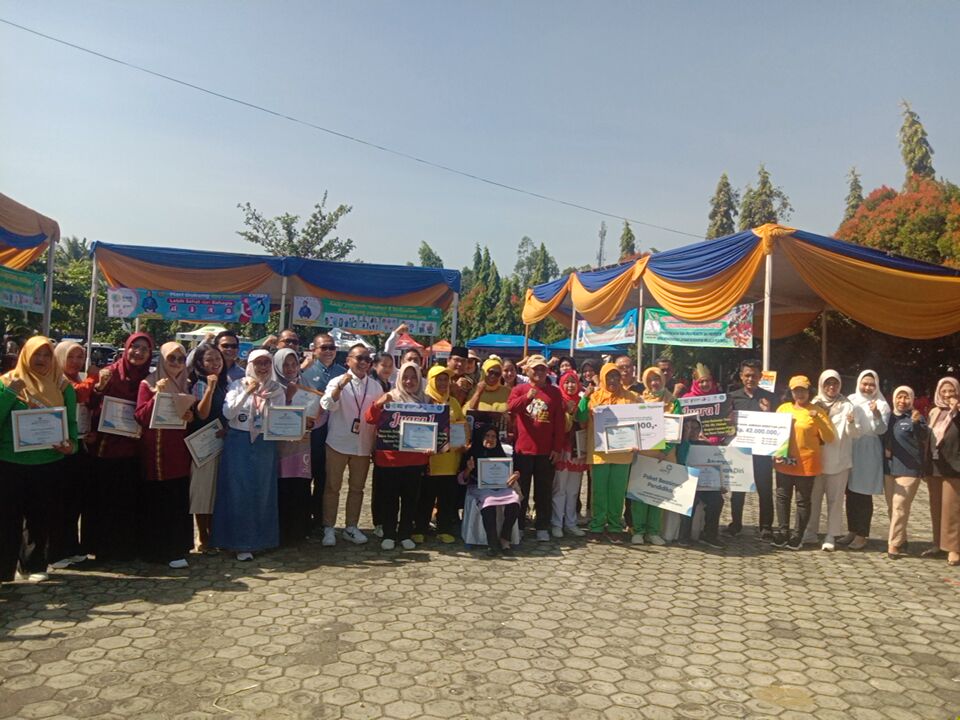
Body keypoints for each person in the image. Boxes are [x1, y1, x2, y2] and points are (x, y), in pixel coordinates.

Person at [0, 337, 78, 583]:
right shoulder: (7, 382)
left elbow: (71, 424)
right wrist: (10, 393)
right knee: (6, 518)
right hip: (9, 462)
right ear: (25, 355)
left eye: (47, 355)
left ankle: (34, 565)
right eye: (36, 354)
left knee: (41, 517)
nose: (41, 359)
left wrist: (71, 446)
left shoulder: (62, 386)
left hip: (48, 462)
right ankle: (4, 569)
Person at [212, 349, 285, 561]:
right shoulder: (237, 385)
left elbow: (281, 417)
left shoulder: (276, 390)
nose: (262, 367)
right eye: (258, 363)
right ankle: (239, 542)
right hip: (239, 442)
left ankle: (263, 540)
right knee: (238, 491)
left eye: (266, 363)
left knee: (263, 490)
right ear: (250, 365)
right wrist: (247, 393)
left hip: (264, 443)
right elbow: (228, 413)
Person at [88, 332, 154, 562]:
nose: (138, 352)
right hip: (107, 447)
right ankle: (103, 548)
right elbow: (90, 404)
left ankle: (128, 547)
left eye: (144, 349)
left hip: (135, 448)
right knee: (106, 499)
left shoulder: (150, 379)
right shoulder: (109, 373)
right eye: (134, 347)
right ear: (126, 348)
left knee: (130, 500)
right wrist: (99, 388)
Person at [134, 342, 195, 568]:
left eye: (181, 359)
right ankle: (158, 550)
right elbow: (140, 416)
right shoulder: (149, 383)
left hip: (178, 451)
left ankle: (177, 547)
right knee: (159, 498)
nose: (177, 363)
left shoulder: (187, 383)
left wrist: (189, 416)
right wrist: (156, 397)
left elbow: (190, 417)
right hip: (157, 449)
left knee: (177, 497)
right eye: (172, 358)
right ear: (162, 359)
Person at [319, 344, 384, 546]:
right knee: (332, 487)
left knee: (357, 488)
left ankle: (351, 527)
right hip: (337, 442)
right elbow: (327, 405)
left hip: (363, 444)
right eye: (359, 358)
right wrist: (339, 388)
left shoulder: (375, 386)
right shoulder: (337, 381)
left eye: (367, 359)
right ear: (348, 360)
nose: (363, 362)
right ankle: (329, 527)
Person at [366, 363, 430, 550]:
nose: (409, 381)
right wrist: (378, 404)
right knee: (389, 500)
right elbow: (370, 418)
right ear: (399, 379)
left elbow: (437, 429)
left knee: (410, 500)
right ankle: (389, 533)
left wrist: (432, 445)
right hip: (390, 459)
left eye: (414, 377)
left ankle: (405, 534)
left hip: (415, 460)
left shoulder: (427, 400)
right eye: (405, 377)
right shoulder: (390, 397)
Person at [48, 340, 98, 568]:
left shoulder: (77, 378)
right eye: (71, 357)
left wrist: (88, 433)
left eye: (80, 357)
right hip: (59, 451)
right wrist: (94, 377)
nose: (76, 362)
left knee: (75, 502)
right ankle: (56, 551)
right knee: (60, 503)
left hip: (78, 447)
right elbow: (78, 394)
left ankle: (71, 547)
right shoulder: (57, 380)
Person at [773, 376, 837, 550]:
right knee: (782, 498)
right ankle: (783, 532)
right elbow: (773, 433)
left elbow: (829, 437)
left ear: (809, 391)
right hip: (784, 461)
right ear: (791, 392)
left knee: (802, 501)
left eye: (803, 390)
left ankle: (797, 536)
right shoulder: (783, 409)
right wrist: (774, 453)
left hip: (806, 463)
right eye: (796, 390)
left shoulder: (817, 411)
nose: (800, 394)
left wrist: (818, 420)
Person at [508, 355, 565, 541]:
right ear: (527, 371)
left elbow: (559, 422)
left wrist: (557, 448)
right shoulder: (519, 389)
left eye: (542, 369)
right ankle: (519, 525)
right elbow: (511, 407)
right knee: (521, 491)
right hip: (523, 450)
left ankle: (542, 526)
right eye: (535, 369)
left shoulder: (555, 392)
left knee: (544, 491)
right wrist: (527, 397)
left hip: (546, 451)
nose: (539, 372)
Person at [577, 363, 637, 540]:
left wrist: (639, 440)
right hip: (599, 453)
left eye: (616, 376)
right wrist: (584, 399)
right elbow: (581, 418)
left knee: (617, 493)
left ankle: (615, 526)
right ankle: (597, 525)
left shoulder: (632, 397)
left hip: (623, 454)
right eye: (609, 376)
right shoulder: (594, 397)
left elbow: (641, 420)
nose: (613, 380)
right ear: (602, 377)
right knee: (599, 492)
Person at [805, 370, 859, 551]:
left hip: (839, 460)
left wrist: (851, 423)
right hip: (816, 459)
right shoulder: (813, 404)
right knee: (813, 499)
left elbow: (854, 434)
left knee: (835, 501)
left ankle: (831, 535)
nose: (831, 387)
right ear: (821, 384)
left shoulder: (847, 405)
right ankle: (810, 532)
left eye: (835, 383)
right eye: (828, 383)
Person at [273, 348, 321, 546]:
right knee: (282, 488)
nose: (290, 368)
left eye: (294, 364)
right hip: (279, 449)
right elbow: (273, 416)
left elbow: (315, 413)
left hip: (301, 447)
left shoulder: (306, 385)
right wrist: (289, 397)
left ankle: (299, 530)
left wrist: (311, 421)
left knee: (300, 487)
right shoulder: (272, 387)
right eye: (285, 365)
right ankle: (282, 532)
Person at [300, 332, 347, 534]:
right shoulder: (305, 372)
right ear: (314, 349)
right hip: (311, 432)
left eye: (332, 347)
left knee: (325, 478)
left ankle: (320, 520)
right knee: (305, 476)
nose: (328, 351)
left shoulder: (343, 373)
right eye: (324, 347)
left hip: (334, 432)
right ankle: (303, 519)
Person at [839, 370, 890, 550]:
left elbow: (881, 430)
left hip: (868, 450)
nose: (867, 388)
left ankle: (862, 534)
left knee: (862, 494)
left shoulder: (882, 404)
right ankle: (852, 530)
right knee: (850, 493)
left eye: (871, 385)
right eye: (865, 384)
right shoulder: (851, 399)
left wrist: (876, 414)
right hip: (850, 447)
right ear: (858, 383)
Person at [414, 366, 465, 544]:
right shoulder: (424, 401)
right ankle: (420, 528)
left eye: (445, 379)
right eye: (439, 379)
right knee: (425, 498)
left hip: (450, 460)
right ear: (430, 380)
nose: (443, 383)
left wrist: (463, 443)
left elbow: (462, 424)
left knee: (446, 498)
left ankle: (444, 529)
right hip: (429, 460)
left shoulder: (453, 402)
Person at [726, 359, 776, 538]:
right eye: (747, 375)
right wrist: (729, 422)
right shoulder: (732, 397)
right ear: (741, 376)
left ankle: (766, 527)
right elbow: (726, 428)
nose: (750, 379)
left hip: (762, 452)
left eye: (754, 376)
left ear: (760, 376)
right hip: (740, 452)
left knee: (765, 490)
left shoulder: (769, 397)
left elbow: (777, 425)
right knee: (738, 491)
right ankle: (736, 524)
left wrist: (768, 412)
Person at [188, 342, 228, 554]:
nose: (215, 363)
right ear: (200, 363)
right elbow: (202, 414)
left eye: (217, 359)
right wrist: (210, 390)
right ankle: (203, 537)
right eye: (209, 360)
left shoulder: (224, 383)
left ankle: (213, 534)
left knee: (215, 492)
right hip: (202, 445)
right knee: (202, 492)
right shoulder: (200, 384)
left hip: (219, 443)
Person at [633, 366, 680, 545]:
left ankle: (653, 531)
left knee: (657, 493)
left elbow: (675, 429)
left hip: (664, 455)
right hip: (642, 454)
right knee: (639, 494)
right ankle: (638, 531)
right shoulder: (639, 400)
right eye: (651, 379)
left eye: (658, 379)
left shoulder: (673, 402)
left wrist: (664, 451)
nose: (655, 383)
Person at [459, 424, 523, 556]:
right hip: (478, 487)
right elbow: (461, 479)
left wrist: (515, 475)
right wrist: (468, 469)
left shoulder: (501, 453)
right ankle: (492, 543)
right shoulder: (471, 453)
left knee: (514, 501)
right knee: (488, 503)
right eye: (487, 436)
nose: (490, 439)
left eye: (493, 436)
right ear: (481, 437)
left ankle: (505, 538)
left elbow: (509, 474)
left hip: (500, 487)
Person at [883, 385, 928, 559]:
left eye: (906, 397)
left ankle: (893, 544)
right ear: (894, 398)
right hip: (889, 467)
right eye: (899, 397)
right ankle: (902, 538)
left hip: (909, 469)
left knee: (899, 506)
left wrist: (916, 424)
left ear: (912, 399)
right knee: (891, 507)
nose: (902, 401)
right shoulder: (888, 417)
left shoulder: (916, 417)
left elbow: (924, 437)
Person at [925, 376, 960, 566]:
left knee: (952, 509)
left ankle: (953, 548)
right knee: (936, 506)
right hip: (935, 465)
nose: (947, 395)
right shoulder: (934, 412)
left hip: (954, 466)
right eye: (943, 391)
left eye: (951, 391)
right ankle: (937, 544)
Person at [551, 371, 587, 538]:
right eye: (567, 382)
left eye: (573, 382)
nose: (570, 385)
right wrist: (569, 413)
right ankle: (556, 523)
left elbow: (585, 423)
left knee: (573, 490)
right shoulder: (559, 401)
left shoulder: (582, 401)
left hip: (578, 450)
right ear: (561, 384)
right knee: (560, 489)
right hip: (563, 450)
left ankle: (570, 523)